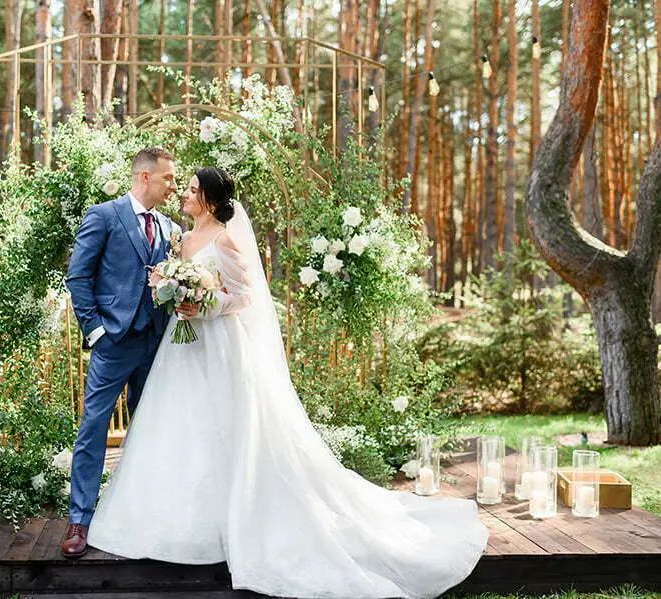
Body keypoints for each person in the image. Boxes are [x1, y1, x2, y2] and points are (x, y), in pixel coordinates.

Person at [87, 166, 489, 598]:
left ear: (209, 199)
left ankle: (233, 519)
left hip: (220, 344)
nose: (183, 195)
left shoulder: (225, 238)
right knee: (179, 426)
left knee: (226, 426)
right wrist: (176, 295)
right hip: (182, 348)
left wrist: (202, 304)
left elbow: (243, 298)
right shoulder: (183, 240)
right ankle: (170, 522)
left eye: (190, 190)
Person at [63, 147, 181, 558]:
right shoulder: (104, 216)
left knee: (152, 430)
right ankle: (80, 519)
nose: (173, 185)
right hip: (113, 343)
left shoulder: (171, 227)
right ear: (144, 177)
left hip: (156, 345)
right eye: (167, 178)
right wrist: (95, 331)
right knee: (93, 427)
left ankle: (145, 512)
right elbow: (78, 276)